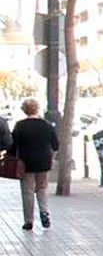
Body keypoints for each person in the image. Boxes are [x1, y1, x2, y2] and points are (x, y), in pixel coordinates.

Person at [11, 98, 59, 230]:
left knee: (27, 192)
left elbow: (13, 146)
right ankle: (44, 213)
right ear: (37, 108)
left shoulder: (20, 125)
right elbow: (55, 145)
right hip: (44, 162)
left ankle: (29, 221)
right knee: (42, 188)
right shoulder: (46, 125)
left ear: (24, 110)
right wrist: (51, 158)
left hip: (26, 163)